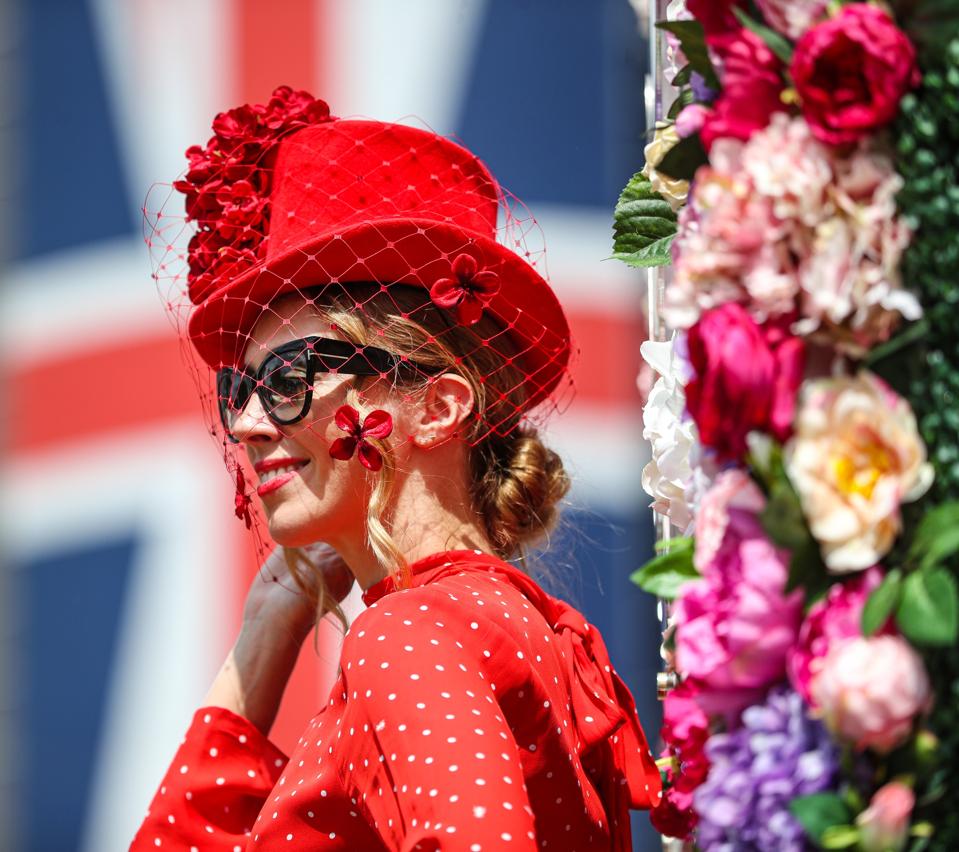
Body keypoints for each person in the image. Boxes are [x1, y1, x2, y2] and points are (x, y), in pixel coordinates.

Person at [132, 86, 661, 851]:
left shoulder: (410, 629)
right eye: (238, 389)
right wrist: (265, 633)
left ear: (439, 407)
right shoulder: (488, 619)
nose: (246, 424)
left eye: (286, 380)